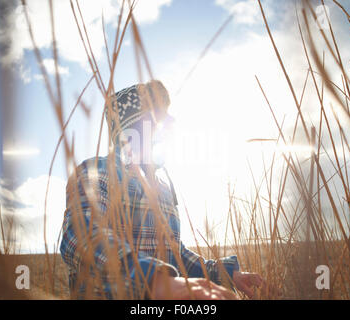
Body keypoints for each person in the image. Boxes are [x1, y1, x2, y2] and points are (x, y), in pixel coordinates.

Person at [60, 80, 264, 299]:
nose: (170, 123)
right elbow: (79, 236)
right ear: (134, 127)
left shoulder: (163, 188)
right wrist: (152, 280)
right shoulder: (98, 171)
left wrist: (222, 273)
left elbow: (175, 254)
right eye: (160, 119)